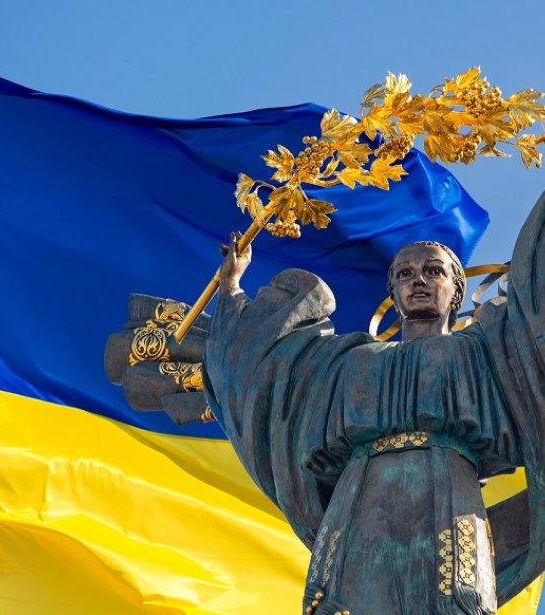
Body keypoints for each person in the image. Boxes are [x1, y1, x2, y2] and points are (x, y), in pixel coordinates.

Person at [202, 192, 545, 614]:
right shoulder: (348, 359)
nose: (417, 280)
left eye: (433, 271)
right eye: (404, 274)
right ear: (394, 292)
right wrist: (231, 287)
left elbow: (535, 314)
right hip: (359, 500)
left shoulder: (484, 348)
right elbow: (260, 368)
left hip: (447, 493)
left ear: (457, 291)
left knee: (453, 599)